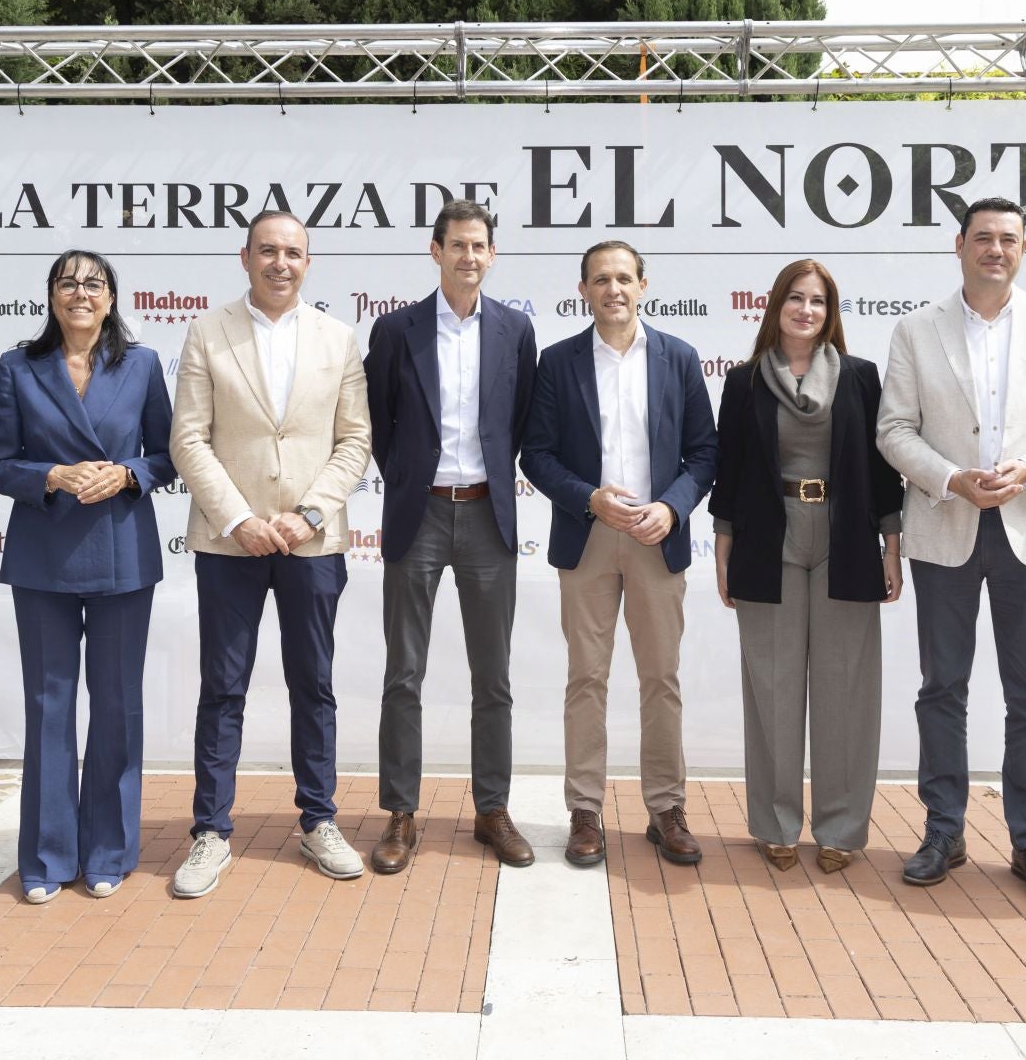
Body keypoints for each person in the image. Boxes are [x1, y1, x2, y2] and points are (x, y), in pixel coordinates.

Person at [875, 196, 1026, 908]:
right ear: (959, 245)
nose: (995, 250)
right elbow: (894, 429)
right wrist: (951, 480)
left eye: (1008, 239)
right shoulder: (917, 330)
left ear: (1025, 249)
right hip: (946, 528)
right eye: (983, 238)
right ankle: (943, 831)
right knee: (941, 689)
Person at [167, 209, 372, 898]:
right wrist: (238, 519)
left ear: (307, 262)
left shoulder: (337, 338)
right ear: (245, 257)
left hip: (312, 540)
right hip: (231, 542)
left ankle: (319, 821)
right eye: (268, 251)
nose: (280, 263)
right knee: (222, 686)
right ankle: (210, 833)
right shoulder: (207, 330)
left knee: (313, 683)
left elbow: (354, 440)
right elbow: (188, 438)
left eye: (293, 253)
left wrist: (310, 512)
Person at [0, 250, 176, 903]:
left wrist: (127, 474)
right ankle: (45, 858)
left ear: (112, 297)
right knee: (50, 706)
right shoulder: (18, 366)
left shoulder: (142, 364)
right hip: (44, 554)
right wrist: (50, 476)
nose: (80, 292)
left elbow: (168, 454)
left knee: (118, 707)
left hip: (122, 550)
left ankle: (108, 852)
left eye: (93, 282)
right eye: (68, 282)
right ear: (51, 295)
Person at [521, 241, 718, 867]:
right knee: (587, 679)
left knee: (661, 679)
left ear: (644, 285)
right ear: (582, 289)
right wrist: (590, 499)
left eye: (625, 279)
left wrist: (673, 507)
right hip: (588, 537)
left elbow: (704, 452)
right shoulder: (558, 362)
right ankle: (584, 811)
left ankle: (666, 808)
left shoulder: (679, 358)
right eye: (601, 279)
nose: (614, 290)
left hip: (658, 537)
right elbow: (537, 454)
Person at [708, 259, 904, 873]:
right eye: (796, 298)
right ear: (775, 307)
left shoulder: (862, 379)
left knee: (847, 690)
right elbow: (730, 474)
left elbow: (881, 474)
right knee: (772, 687)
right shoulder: (743, 384)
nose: (806, 310)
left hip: (845, 542)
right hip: (770, 541)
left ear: (831, 312)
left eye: (818, 301)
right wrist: (723, 549)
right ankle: (775, 823)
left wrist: (891, 547)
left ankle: (842, 828)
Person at [363, 200, 538, 874]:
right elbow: (382, 425)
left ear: (492, 256)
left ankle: (491, 810)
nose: (469, 256)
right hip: (420, 515)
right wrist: (413, 480)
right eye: (457, 245)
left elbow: (515, 426)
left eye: (479, 246)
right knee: (403, 673)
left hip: (489, 517)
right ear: (435, 251)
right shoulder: (395, 330)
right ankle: (400, 814)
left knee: (493, 677)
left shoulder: (515, 331)